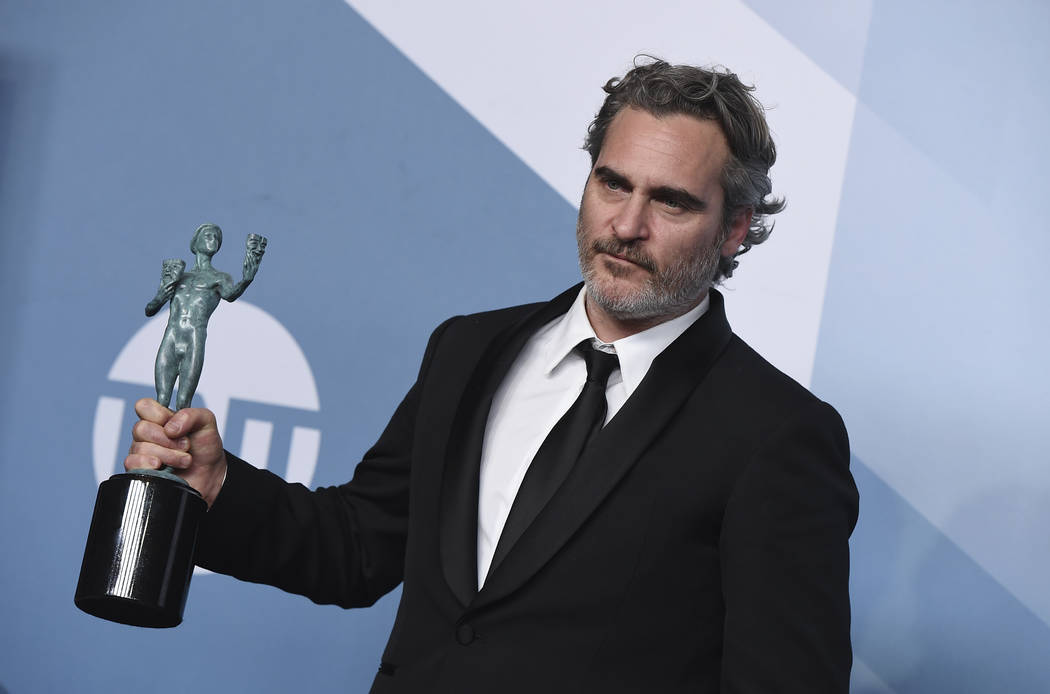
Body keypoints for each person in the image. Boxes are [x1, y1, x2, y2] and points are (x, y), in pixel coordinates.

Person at [126, 58, 859, 693]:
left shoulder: (777, 436)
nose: (627, 226)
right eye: (612, 183)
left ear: (734, 227)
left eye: (670, 200)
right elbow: (358, 547)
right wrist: (218, 490)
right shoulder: (469, 350)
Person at [146, 223, 266, 409]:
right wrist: (160, 296)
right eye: (208, 235)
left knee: (183, 404)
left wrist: (246, 280)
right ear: (195, 243)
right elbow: (150, 309)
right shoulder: (178, 275)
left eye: (217, 238)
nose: (214, 239)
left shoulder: (219, 278)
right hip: (170, 337)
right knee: (161, 400)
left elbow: (231, 295)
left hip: (194, 338)